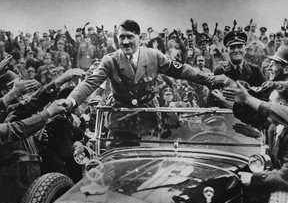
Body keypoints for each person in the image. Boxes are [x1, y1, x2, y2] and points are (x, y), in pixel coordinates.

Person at [61, 19, 232, 148]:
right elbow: (90, 82)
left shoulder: (153, 56)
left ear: (139, 37)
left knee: (148, 166)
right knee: (115, 166)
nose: (126, 42)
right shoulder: (110, 60)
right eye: (122, 38)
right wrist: (71, 100)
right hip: (120, 122)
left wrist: (208, 80)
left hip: (148, 120)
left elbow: (182, 70)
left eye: (130, 37)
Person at [219, 81, 288, 203]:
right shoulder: (274, 127)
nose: (264, 108)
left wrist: (253, 179)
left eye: (269, 103)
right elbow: (250, 117)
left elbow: (285, 176)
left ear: (280, 106)